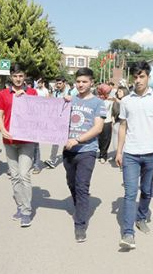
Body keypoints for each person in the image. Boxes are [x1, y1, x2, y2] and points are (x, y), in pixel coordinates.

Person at [116, 61, 153, 249]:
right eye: (135, 77)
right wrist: (119, 151)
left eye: (142, 76)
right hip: (130, 153)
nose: (138, 80)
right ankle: (128, 233)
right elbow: (122, 126)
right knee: (130, 193)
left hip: (151, 153)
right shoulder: (126, 100)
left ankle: (141, 217)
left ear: (148, 77)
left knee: (146, 190)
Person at [62, 67, 106, 242]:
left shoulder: (97, 103)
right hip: (68, 151)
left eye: (84, 82)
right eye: (78, 82)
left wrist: (78, 140)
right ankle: (79, 206)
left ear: (91, 83)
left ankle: (80, 225)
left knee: (82, 186)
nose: (81, 85)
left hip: (86, 151)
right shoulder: (69, 100)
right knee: (71, 183)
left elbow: (98, 127)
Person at [0, 64, 38, 227]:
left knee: (23, 175)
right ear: (11, 77)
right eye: (15, 76)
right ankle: (21, 206)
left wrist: (25, 97)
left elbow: (42, 112)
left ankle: (27, 211)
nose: (18, 79)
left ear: (25, 76)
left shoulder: (32, 93)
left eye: (21, 76)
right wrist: (3, 129)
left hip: (27, 141)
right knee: (14, 176)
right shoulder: (3, 94)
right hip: (9, 141)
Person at [44, 76, 71, 169]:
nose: (58, 85)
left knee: (67, 140)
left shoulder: (71, 92)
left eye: (60, 83)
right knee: (55, 140)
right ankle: (52, 160)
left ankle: (69, 158)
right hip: (58, 119)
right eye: (57, 83)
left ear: (64, 83)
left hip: (69, 119)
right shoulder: (56, 92)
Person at [97, 83, 113, 164]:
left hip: (107, 122)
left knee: (106, 139)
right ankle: (101, 152)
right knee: (99, 139)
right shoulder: (97, 100)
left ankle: (104, 155)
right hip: (98, 122)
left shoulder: (110, 101)